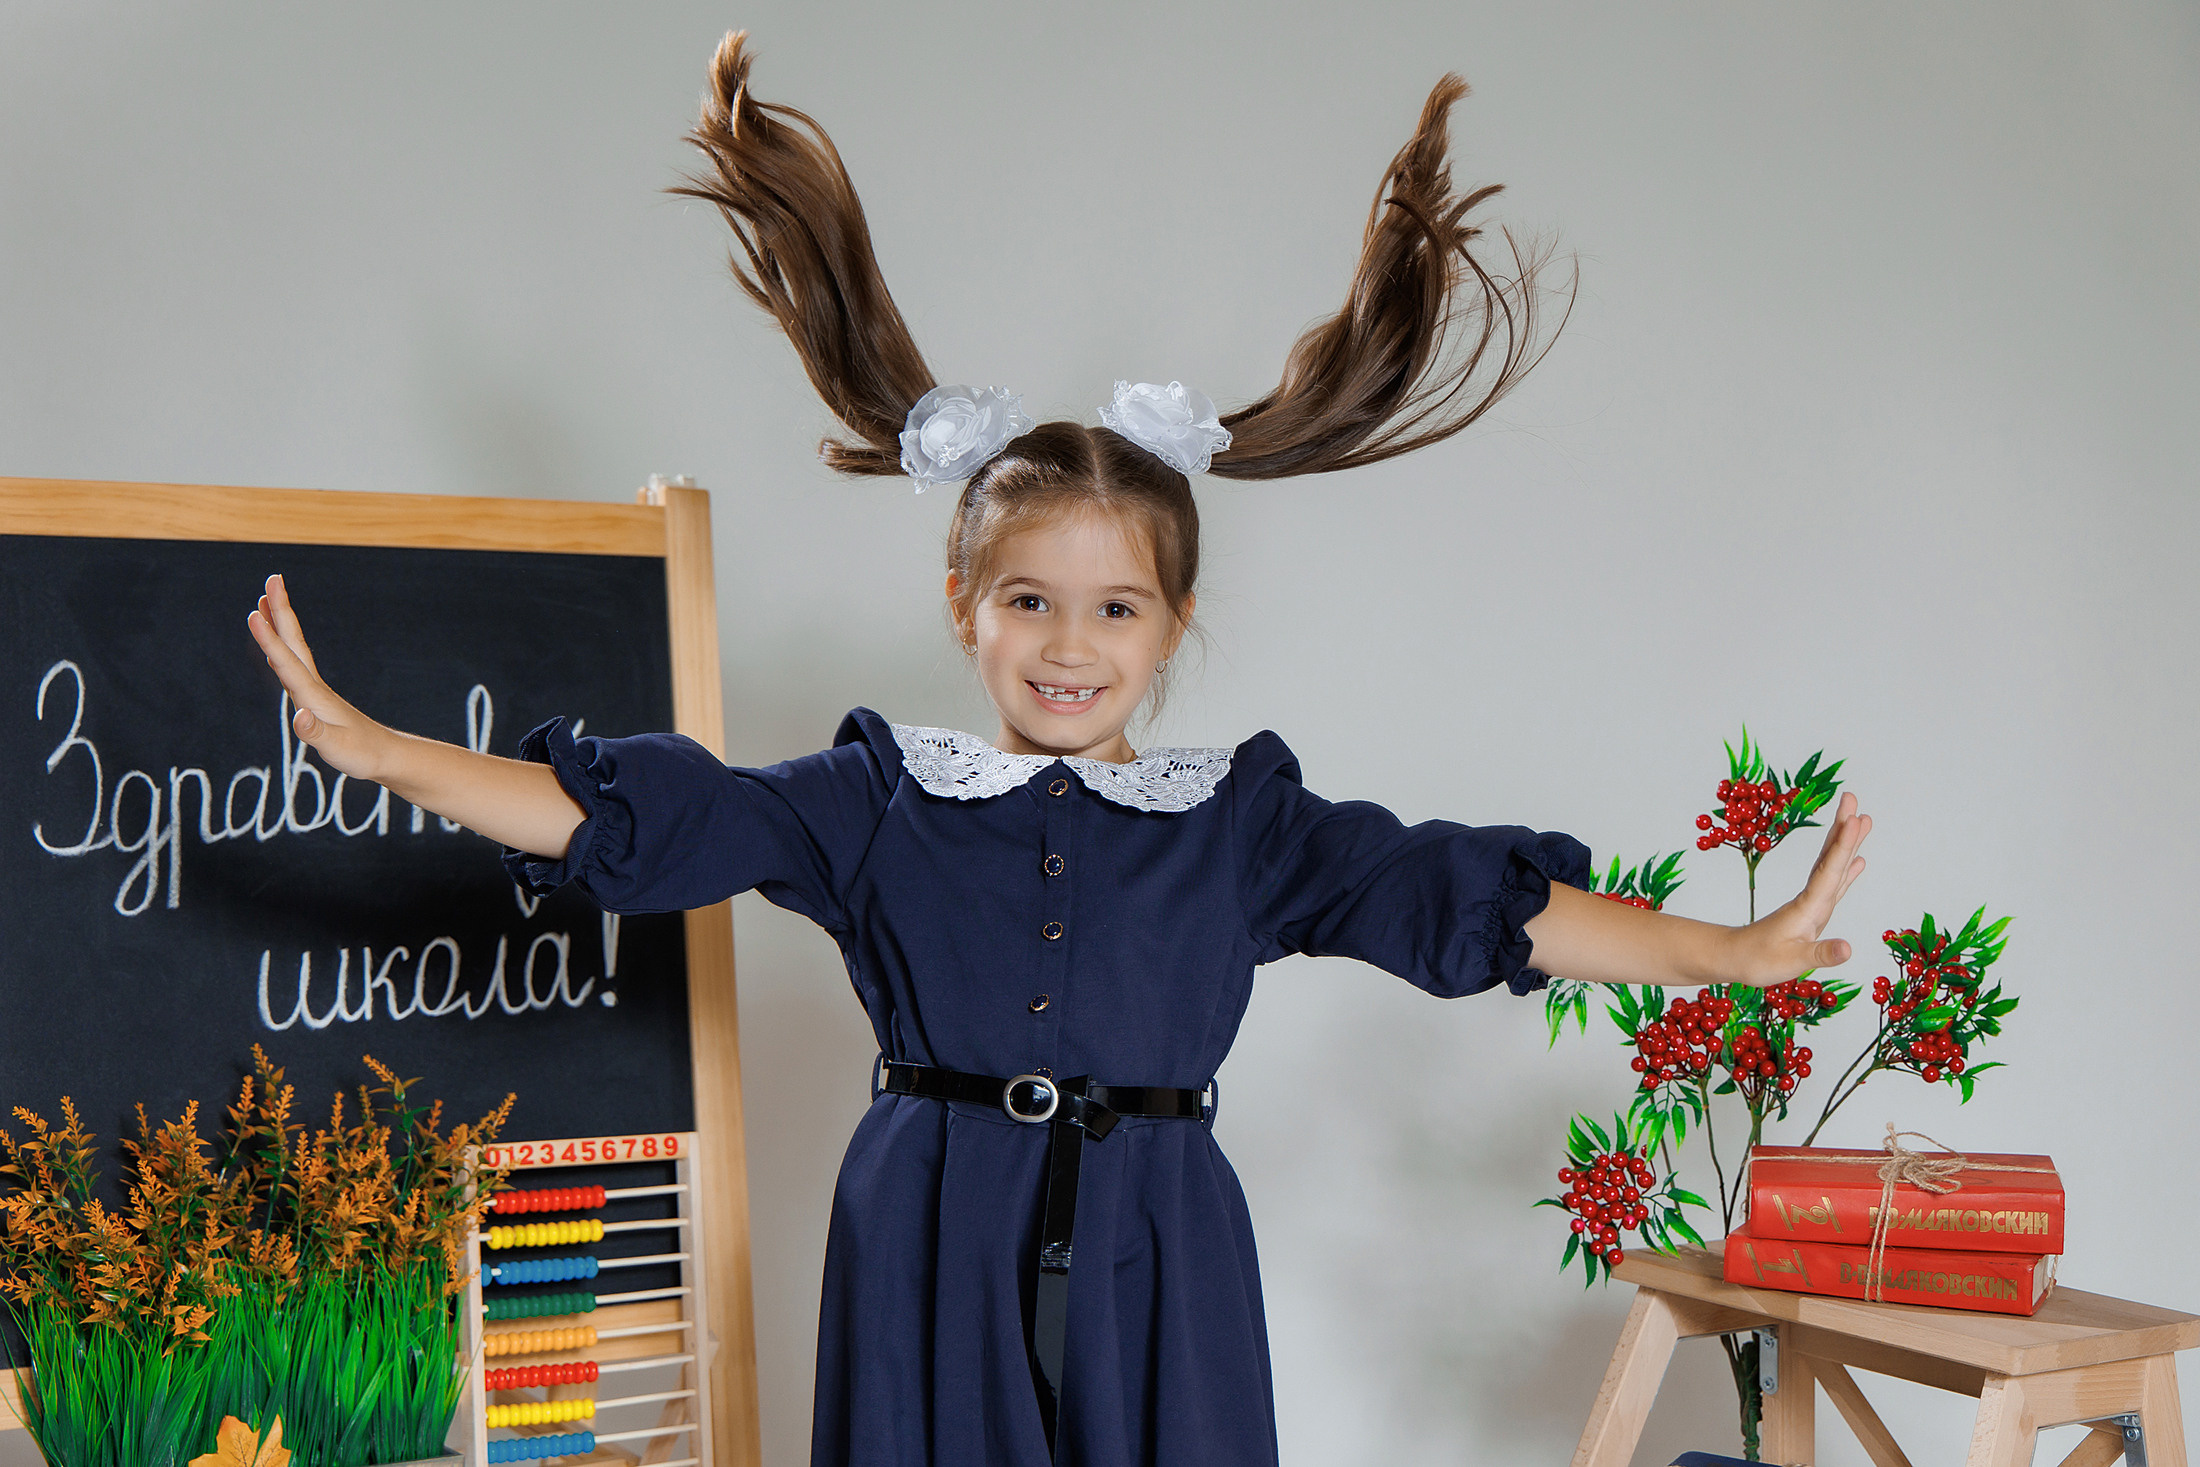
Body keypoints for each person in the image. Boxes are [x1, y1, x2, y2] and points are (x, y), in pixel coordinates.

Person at [245, 31, 1871, 1467]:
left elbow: (1470, 905)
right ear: (965, 608)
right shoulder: (879, 802)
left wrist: (1730, 952)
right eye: (1032, 601)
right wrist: (386, 750)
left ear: (1171, 627)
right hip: (929, 1233)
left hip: (1162, 1241)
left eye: (1114, 609)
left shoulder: (1243, 828)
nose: (1071, 646)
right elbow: (647, 823)